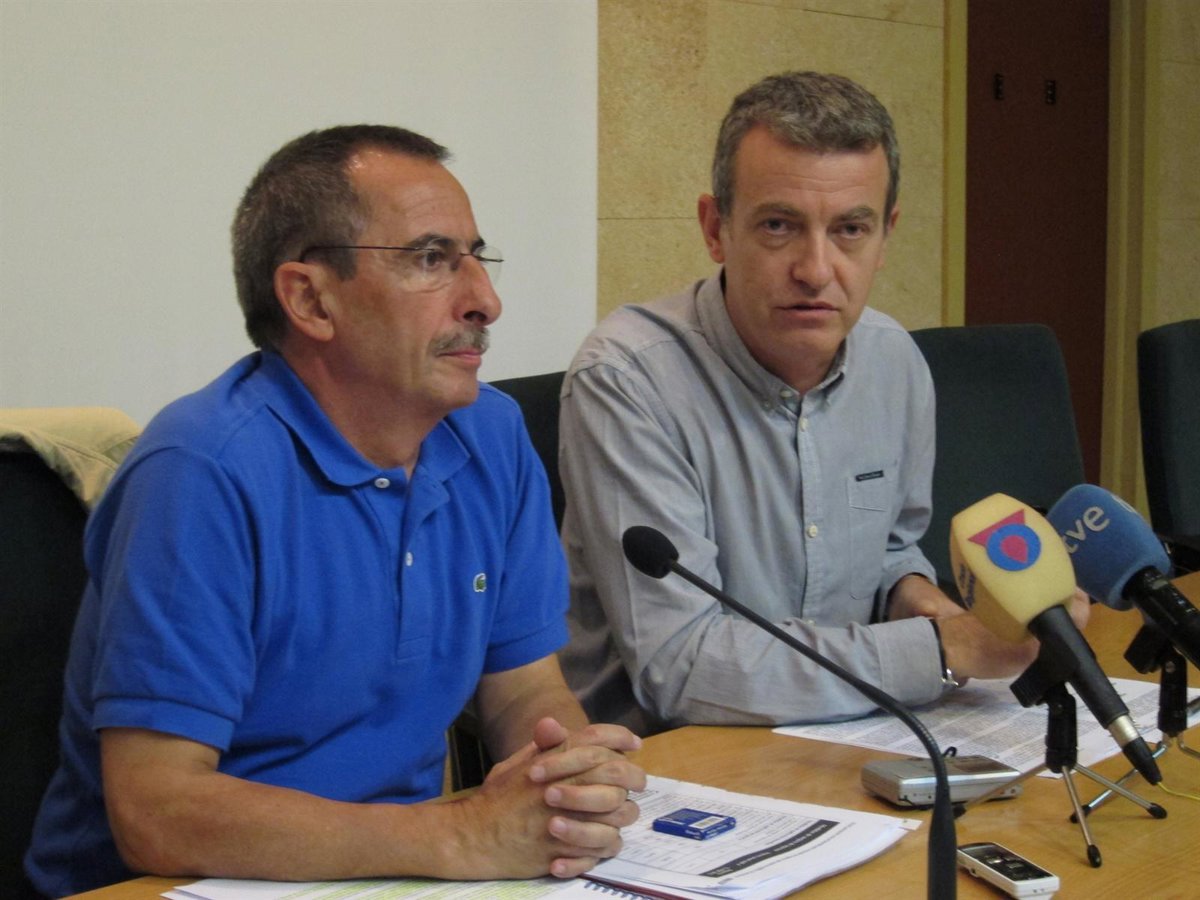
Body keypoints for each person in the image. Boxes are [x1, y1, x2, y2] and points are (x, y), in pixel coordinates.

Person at [25, 125, 645, 898]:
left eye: (475, 257)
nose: (486, 300)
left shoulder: (490, 434)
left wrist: (568, 780)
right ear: (310, 298)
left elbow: (524, 688)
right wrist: (459, 834)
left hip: (394, 874)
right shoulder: (201, 470)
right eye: (431, 259)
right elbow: (158, 811)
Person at [558, 72, 1088, 735]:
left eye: (850, 229)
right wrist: (943, 650)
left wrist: (928, 605)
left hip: (849, 731)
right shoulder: (628, 379)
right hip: (675, 759)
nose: (815, 269)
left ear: (886, 235)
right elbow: (680, 666)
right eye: (779, 226)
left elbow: (890, 553)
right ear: (716, 229)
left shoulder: (894, 363)